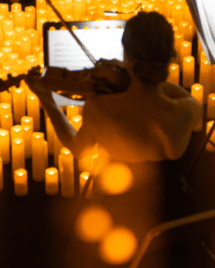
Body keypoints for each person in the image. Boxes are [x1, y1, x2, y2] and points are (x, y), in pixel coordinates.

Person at [27, 11, 201, 163]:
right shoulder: (185, 112)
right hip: (173, 199)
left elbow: (78, 150)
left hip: (117, 191)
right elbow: (194, 110)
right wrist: (140, 73)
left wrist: (47, 99)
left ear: (128, 56)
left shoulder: (99, 108)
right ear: (169, 58)